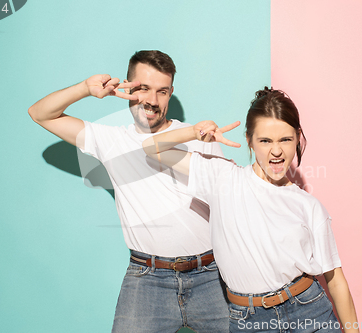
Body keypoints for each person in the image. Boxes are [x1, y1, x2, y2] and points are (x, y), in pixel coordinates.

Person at [28, 50, 229, 333]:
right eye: (143, 89)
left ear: (171, 92)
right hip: (148, 279)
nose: (152, 101)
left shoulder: (199, 136)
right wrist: (86, 89)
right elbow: (40, 114)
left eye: (162, 91)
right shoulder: (111, 140)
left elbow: (230, 203)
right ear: (127, 86)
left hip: (210, 274)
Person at [143, 87, 360, 332]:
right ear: (249, 139)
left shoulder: (309, 206)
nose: (276, 151)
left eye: (285, 139)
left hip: (308, 311)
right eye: (265, 140)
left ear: (297, 137)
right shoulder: (222, 178)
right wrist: (193, 133)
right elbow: (150, 148)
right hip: (249, 321)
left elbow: (335, 280)